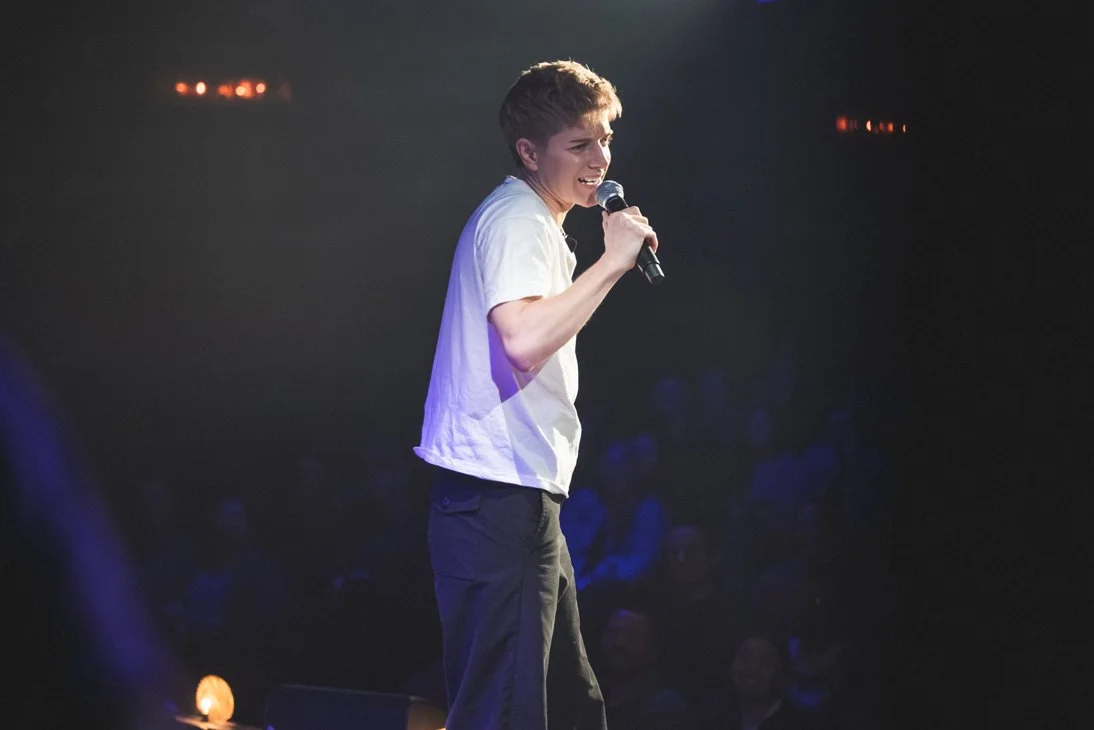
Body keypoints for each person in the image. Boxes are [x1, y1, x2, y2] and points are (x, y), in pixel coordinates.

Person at [413, 59, 660, 730]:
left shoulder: (534, 222)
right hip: (498, 495)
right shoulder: (518, 220)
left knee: (568, 704)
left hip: (511, 496)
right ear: (529, 152)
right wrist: (613, 262)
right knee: (502, 709)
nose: (599, 159)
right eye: (579, 144)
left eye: (605, 140)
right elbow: (521, 341)